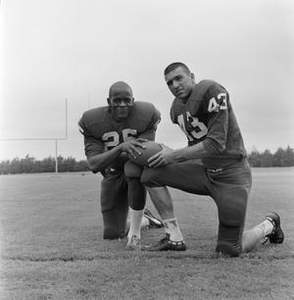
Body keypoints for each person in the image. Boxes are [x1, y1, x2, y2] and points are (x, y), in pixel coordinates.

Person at [138, 62, 284, 257]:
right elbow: (196, 144)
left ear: (192, 76)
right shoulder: (177, 108)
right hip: (205, 172)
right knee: (151, 174)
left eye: (178, 78)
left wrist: (174, 155)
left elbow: (216, 144)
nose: (174, 85)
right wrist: (171, 154)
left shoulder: (211, 91)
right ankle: (174, 237)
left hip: (232, 177)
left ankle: (269, 224)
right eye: (169, 83)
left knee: (230, 250)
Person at [78, 81, 164, 250]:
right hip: (112, 174)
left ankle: (136, 230)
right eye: (117, 100)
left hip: (133, 169)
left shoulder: (147, 114)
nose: (122, 105)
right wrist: (120, 148)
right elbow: (93, 164)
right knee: (112, 233)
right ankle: (147, 219)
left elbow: (143, 153)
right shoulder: (92, 121)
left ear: (133, 100)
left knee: (134, 171)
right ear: (108, 101)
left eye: (127, 100)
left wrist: (115, 154)